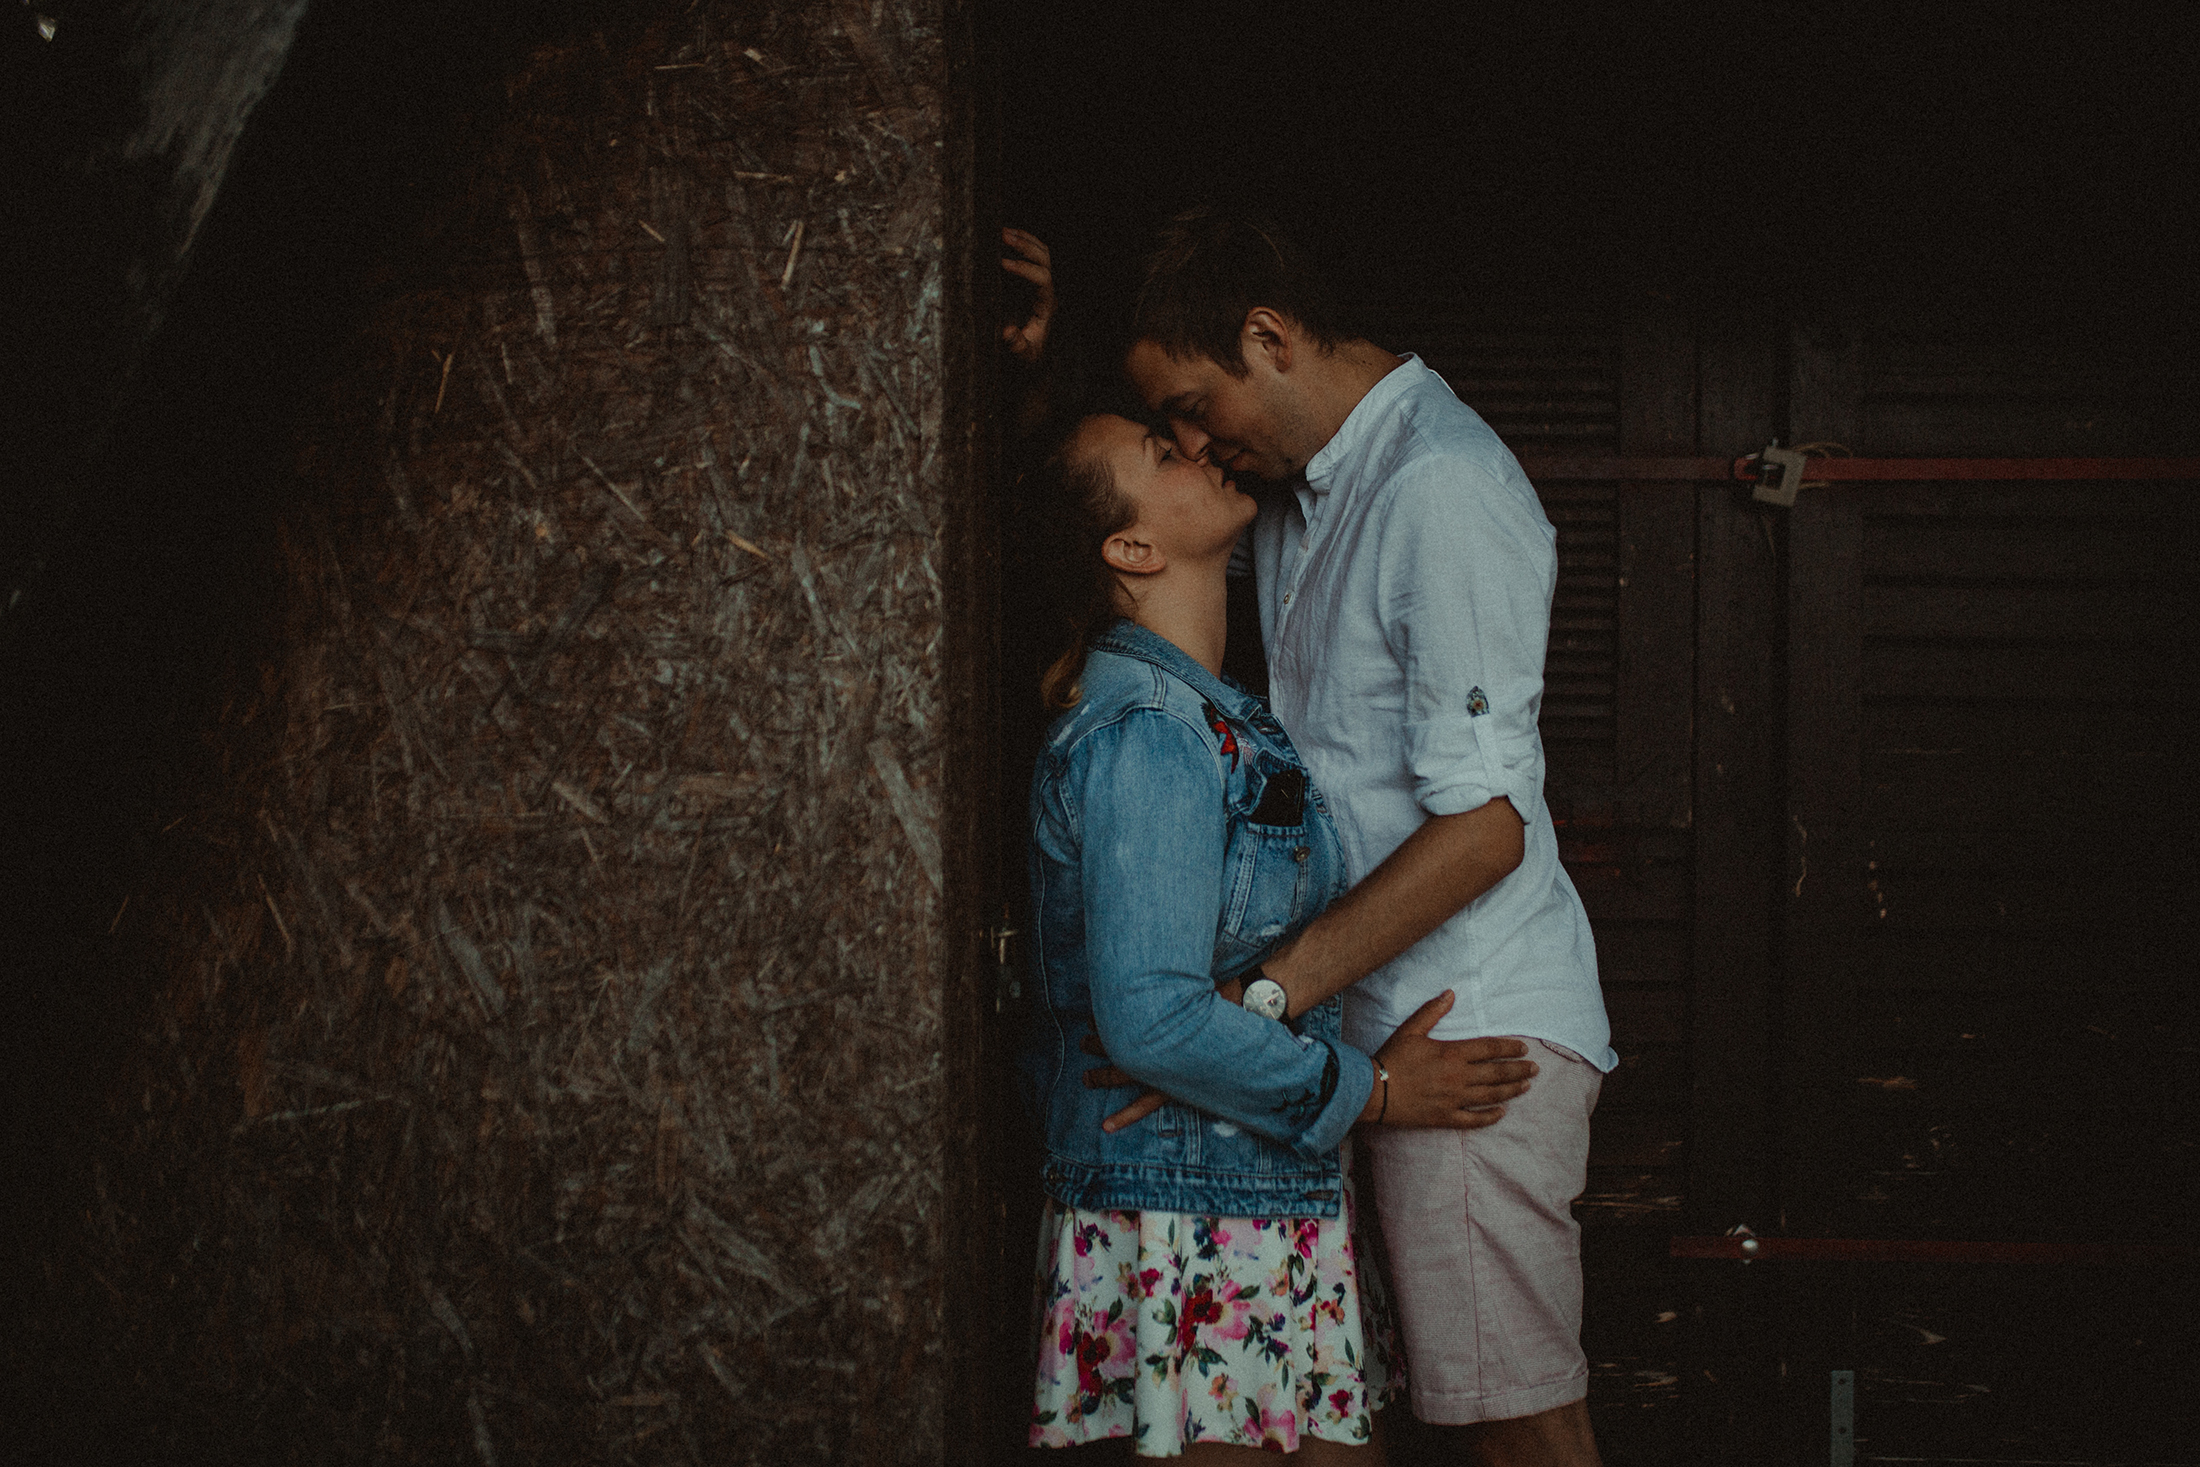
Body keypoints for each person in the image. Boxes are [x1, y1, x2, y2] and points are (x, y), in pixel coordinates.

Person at [1118, 210, 1617, 1467]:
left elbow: (1486, 830)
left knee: (1517, 1419)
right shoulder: (1306, 485)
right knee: (1366, 1421)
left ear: (1267, 337)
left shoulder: (1437, 485)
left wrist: (1257, 1005)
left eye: (1191, 407)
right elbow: (1119, 535)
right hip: (1366, 1043)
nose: (1191, 443)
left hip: (1468, 1033)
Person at [1017, 405, 1537, 1461]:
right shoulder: (1149, 732)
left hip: (1244, 1197)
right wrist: (1373, 1091)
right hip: (1188, 1215)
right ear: (1132, 548)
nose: (1195, 445)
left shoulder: (1208, 717)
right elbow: (1153, 1019)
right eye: (1161, 453)